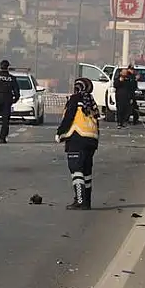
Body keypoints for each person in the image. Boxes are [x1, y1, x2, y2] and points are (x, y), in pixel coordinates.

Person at [55, 77, 101, 210]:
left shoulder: (75, 99)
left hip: (77, 137)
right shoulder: (91, 102)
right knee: (87, 172)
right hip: (91, 139)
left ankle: (79, 200)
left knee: (76, 170)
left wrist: (60, 133)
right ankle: (87, 202)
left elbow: (69, 117)